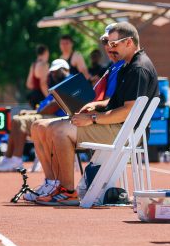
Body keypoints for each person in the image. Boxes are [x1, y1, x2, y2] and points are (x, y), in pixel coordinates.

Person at [28, 22, 158, 206]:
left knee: (60, 131)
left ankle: (67, 191)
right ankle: (55, 185)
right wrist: (95, 105)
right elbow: (117, 102)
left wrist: (92, 119)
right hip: (119, 126)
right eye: (107, 43)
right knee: (41, 126)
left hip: (126, 132)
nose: (109, 48)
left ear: (129, 42)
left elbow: (127, 111)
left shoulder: (138, 69)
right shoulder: (128, 65)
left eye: (114, 44)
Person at [0, 59, 71, 171]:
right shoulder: (58, 85)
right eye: (52, 72)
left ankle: (16, 159)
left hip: (58, 118)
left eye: (56, 71)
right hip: (48, 116)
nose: (53, 74)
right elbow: (47, 106)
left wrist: (36, 112)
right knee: (16, 118)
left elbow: (54, 106)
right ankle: (8, 157)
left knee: (19, 121)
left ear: (66, 69)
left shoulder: (68, 81)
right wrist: (31, 112)